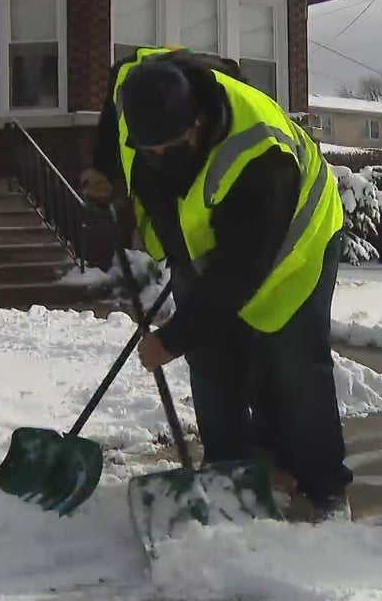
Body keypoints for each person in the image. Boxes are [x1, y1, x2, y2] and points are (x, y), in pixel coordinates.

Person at [80, 46, 353, 521]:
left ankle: (323, 484)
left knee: (291, 366)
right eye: (148, 147)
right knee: (211, 362)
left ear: (198, 122)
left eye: (167, 145)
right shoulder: (135, 89)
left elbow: (239, 272)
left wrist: (174, 337)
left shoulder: (259, 155)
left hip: (296, 245)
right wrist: (105, 168)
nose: (157, 155)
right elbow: (115, 125)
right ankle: (229, 470)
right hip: (207, 246)